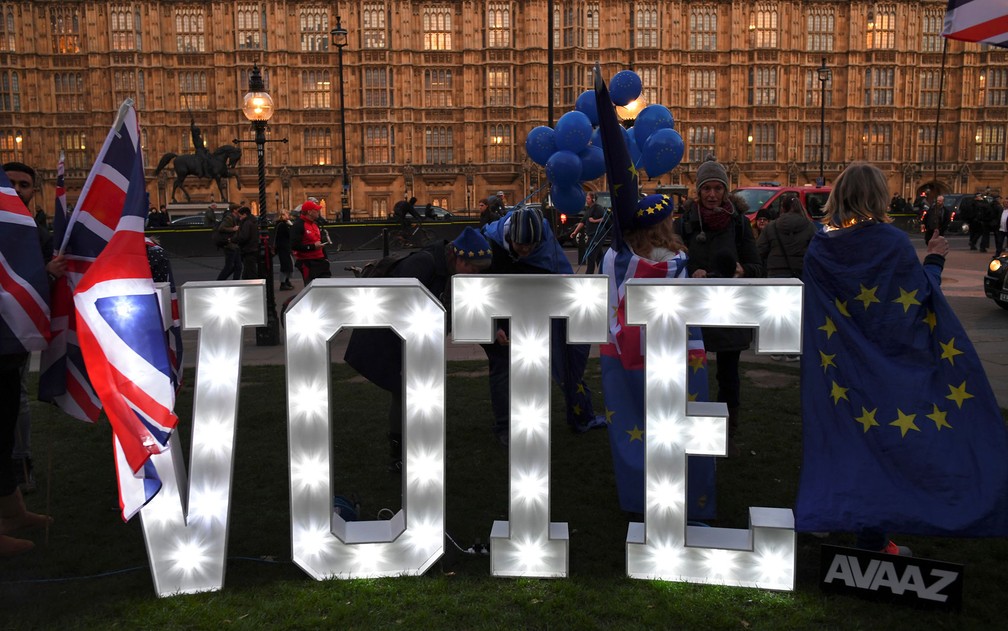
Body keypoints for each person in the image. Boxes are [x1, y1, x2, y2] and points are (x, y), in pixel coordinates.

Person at [796, 161, 962, 556]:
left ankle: (832, 514)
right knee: (881, 445)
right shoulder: (892, 242)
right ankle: (873, 540)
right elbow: (916, 304)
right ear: (878, 196)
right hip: (883, 368)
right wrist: (935, 261)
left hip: (837, 367)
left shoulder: (821, 245)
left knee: (841, 440)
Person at [599, 193, 717, 519]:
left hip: (626, 357)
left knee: (634, 422)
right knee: (680, 427)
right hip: (673, 355)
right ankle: (688, 501)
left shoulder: (614, 258)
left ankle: (640, 499)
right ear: (665, 224)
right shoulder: (674, 258)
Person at [343, 227, 493, 473]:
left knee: (413, 394)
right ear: (458, 257)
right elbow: (397, 303)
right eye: (473, 269)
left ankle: (417, 449)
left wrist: (491, 330)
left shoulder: (450, 270)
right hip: (388, 338)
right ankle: (400, 456)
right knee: (404, 393)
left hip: (412, 341)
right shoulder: (424, 263)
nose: (474, 275)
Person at [480, 207, 605, 445]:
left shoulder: (545, 242)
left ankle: (537, 415)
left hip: (530, 307)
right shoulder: (490, 246)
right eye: (521, 246)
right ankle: (505, 426)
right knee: (502, 366)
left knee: (534, 360)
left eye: (531, 246)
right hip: (499, 309)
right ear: (509, 238)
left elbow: (560, 275)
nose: (526, 250)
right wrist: (494, 326)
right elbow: (482, 291)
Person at [675, 156, 764, 455]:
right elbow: (672, 265)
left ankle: (728, 434)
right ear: (698, 192)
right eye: (707, 189)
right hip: (693, 310)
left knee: (728, 376)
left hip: (728, 311)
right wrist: (691, 272)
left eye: (718, 188)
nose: (712, 194)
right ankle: (687, 431)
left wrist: (740, 269)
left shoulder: (739, 224)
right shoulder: (684, 223)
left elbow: (756, 266)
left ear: (726, 191)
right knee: (687, 375)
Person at [1, 161, 64, 555]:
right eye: (12, 184)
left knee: (5, 432)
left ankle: (13, 511)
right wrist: (47, 273)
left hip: (11, 349)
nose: (20, 190)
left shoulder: (30, 230)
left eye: (26, 184)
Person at [757, 194, 816, 362]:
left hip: (775, 273)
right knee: (795, 313)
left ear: (781, 208)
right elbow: (815, 250)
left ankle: (775, 349)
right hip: (798, 274)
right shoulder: (809, 226)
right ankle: (793, 351)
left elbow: (760, 249)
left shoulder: (772, 227)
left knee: (776, 312)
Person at [291, 199, 331, 283]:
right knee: (311, 286)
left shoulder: (315, 224)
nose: (318, 212)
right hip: (308, 262)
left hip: (320, 261)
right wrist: (312, 247)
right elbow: (294, 245)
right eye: (316, 210)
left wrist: (325, 258)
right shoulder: (298, 225)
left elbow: (319, 241)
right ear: (309, 212)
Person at [570, 191, 607, 273]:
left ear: (593, 199)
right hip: (591, 235)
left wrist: (594, 221)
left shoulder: (598, 208)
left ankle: (589, 275)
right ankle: (603, 273)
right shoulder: (588, 209)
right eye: (586, 198)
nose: (586, 200)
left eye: (588, 198)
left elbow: (605, 218)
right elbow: (582, 222)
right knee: (599, 256)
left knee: (591, 255)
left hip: (597, 235)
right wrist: (575, 232)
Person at [215, 204, 242, 280]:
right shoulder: (229, 218)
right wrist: (233, 229)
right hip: (229, 244)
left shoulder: (236, 218)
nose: (240, 210)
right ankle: (219, 281)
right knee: (229, 266)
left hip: (235, 244)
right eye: (239, 208)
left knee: (238, 266)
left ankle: (235, 283)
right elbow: (221, 228)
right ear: (234, 210)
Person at [235, 205, 260, 280]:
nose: (240, 218)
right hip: (252, 249)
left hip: (248, 249)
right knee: (248, 270)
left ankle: (253, 287)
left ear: (244, 214)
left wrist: (234, 239)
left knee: (250, 271)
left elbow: (244, 237)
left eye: (240, 216)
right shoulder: (253, 221)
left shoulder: (247, 223)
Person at [273, 209, 295, 290]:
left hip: (284, 247)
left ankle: (286, 281)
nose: (288, 216)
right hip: (283, 247)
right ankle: (283, 283)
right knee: (286, 265)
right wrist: (291, 226)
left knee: (289, 264)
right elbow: (289, 235)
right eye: (287, 214)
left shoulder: (281, 224)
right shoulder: (282, 225)